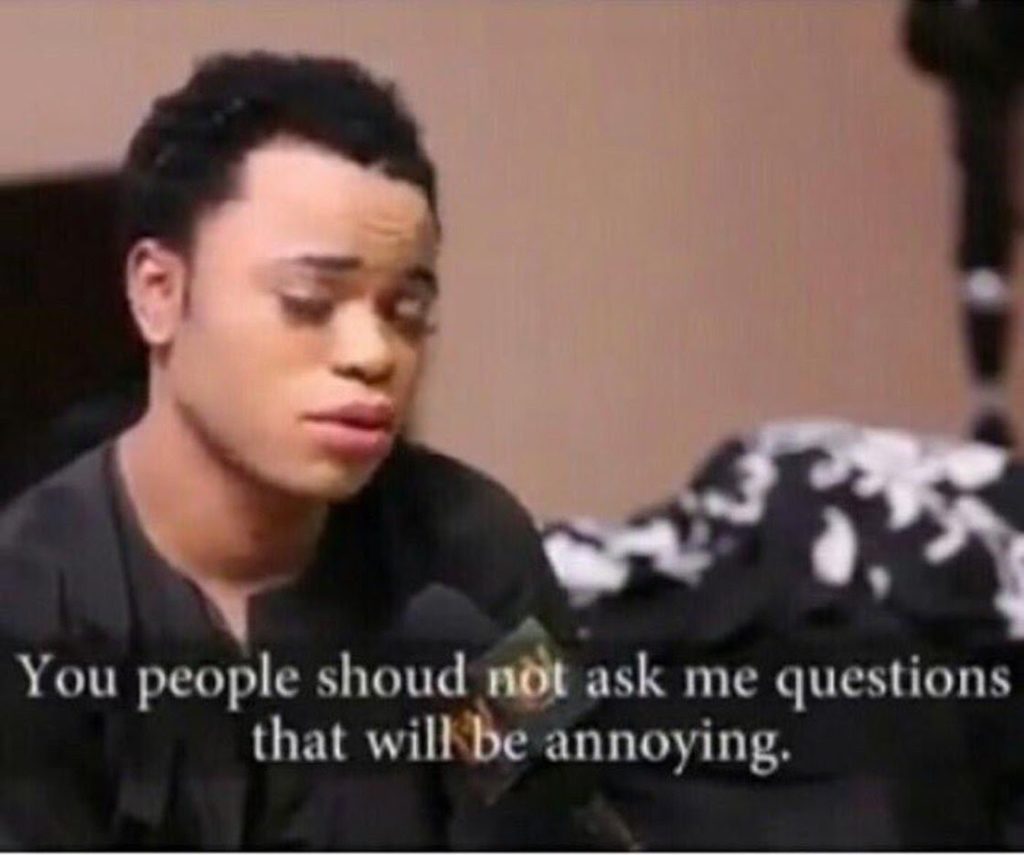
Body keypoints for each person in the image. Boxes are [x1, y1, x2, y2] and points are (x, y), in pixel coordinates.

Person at [0, 52, 581, 849]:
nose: (373, 354)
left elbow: (553, 824)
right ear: (158, 292)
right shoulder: (30, 605)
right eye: (309, 301)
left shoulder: (472, 554)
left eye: (406, 312)